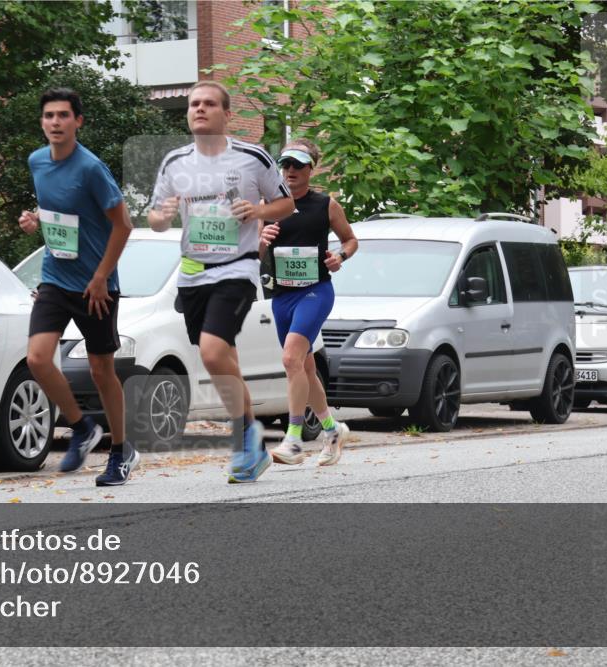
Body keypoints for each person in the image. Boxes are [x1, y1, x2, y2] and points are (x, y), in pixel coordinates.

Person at [148, 81, 294, 483]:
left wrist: (258, 209)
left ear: (227, 114)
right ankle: (250, 439)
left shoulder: (251, 157)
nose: (200, 109)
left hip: (238, 268)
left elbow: (287, 204)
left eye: (209, 104)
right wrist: (164, 214)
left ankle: (246, 438)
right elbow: (156, 220)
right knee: (221, 357)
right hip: (193, 273)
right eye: (194, 104)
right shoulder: (175, 162)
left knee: (213, 353)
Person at [19, 87, 138, 486]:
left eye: (63, 116)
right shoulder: (37, 161)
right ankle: (82, 426)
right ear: (41, 121)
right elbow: (59, 210)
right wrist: (36, 220)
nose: (55, 122)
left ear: (78, 122)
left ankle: (121, 451)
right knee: (37, 359)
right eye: (49, 115)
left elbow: (123, 225)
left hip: (96, 285)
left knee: (101, 369)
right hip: (55, 276)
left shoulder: (91, 168)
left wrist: (102, 276)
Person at [260, 138, 358, 467]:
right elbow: (252, 255)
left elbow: (350, 239)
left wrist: (339, 256)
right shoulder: (269, 204)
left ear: (310, 169)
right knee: (304, 366)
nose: (290, 171)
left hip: (315, 291)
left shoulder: (325, 204)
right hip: (282, 295)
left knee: (290, 359)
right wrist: (260, 241)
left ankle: (293, 440)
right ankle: (332, 431)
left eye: (298, 165)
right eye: (285, 164)